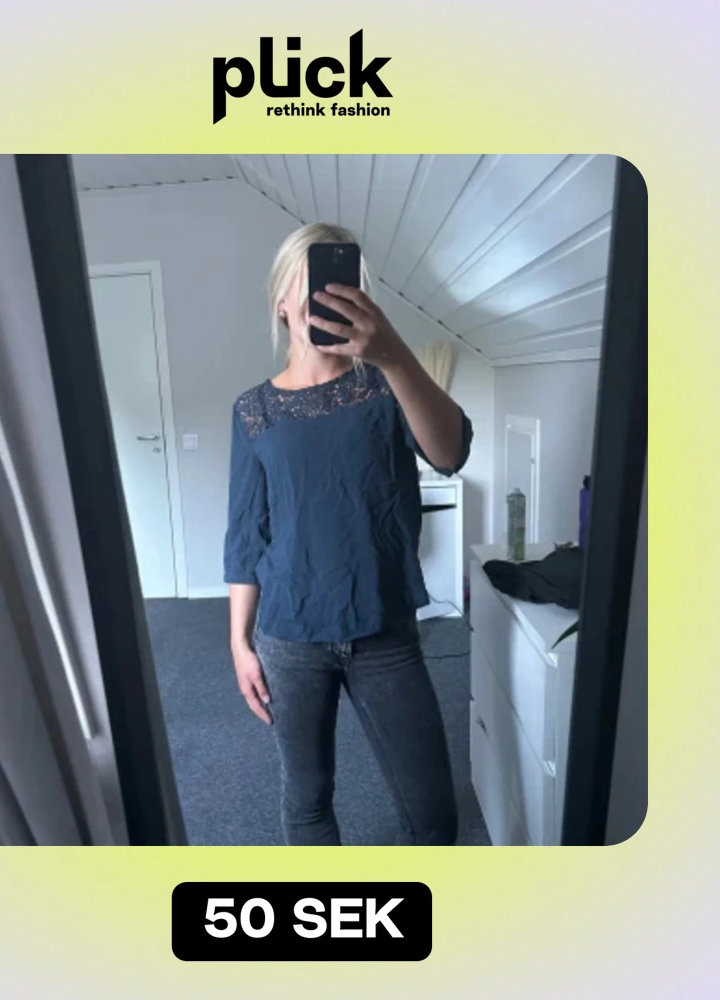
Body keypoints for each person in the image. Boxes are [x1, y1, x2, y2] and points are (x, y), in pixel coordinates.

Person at [222, 222, 474, 846]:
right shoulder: (253, 410)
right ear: (282, 303)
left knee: (433, 813)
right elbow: (246, 532)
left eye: (338, 283)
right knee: (307, 798)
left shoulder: (386, 385)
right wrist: (239, 642)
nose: (323, 296)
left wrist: (393, 354)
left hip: (383, 626)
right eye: (306, 283)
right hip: (289, 633)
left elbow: (450, 453)